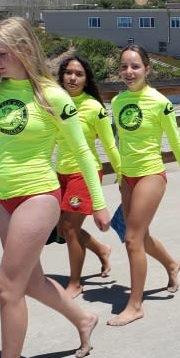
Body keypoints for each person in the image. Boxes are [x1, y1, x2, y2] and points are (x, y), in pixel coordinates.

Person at [0, 17, 109, 358]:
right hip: (6, 198)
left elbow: (82, 151)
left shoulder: (53, 96)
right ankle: (83, 320)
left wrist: (97, 202)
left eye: (3, 53)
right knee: (30, 282)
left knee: (6, 288)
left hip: (39, 196)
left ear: (25, 50)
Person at [109, 44, 180, 326]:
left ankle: (135, 305)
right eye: (124, 66)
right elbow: (121, 142)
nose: (129, 72)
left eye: (135, 66)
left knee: (132, 239)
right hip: (128, 177)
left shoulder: (160, 102)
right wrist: (120, 174)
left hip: (151, 175)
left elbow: (175, 141)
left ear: (147, 69)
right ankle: (171, 264)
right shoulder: (117, 102)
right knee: (140, 236)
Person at [54, 55, 120, 299]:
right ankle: (102, 250)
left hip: (85, 172)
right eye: (68, 72)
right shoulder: (55, 103)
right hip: (60, 172)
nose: (72, 77)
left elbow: (110, 144)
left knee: (70, 228)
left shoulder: (94, 107)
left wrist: (122, 175)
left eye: (78, 74)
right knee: (61, 228)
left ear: (86, 79)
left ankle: (75, 282)